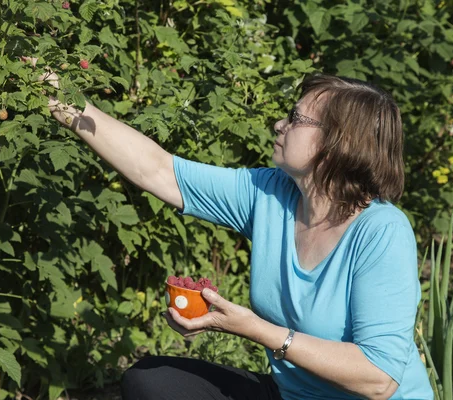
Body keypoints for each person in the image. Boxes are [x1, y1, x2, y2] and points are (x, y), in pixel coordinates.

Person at [41, 65, 433, 399]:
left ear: (336, 145)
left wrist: (257, 330)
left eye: (297, 119)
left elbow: (379, 379)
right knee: (151, 383)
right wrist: (57, 97)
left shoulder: (382, 231)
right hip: (292, 394)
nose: (280, 124)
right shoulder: (270, 192)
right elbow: (157, 170)